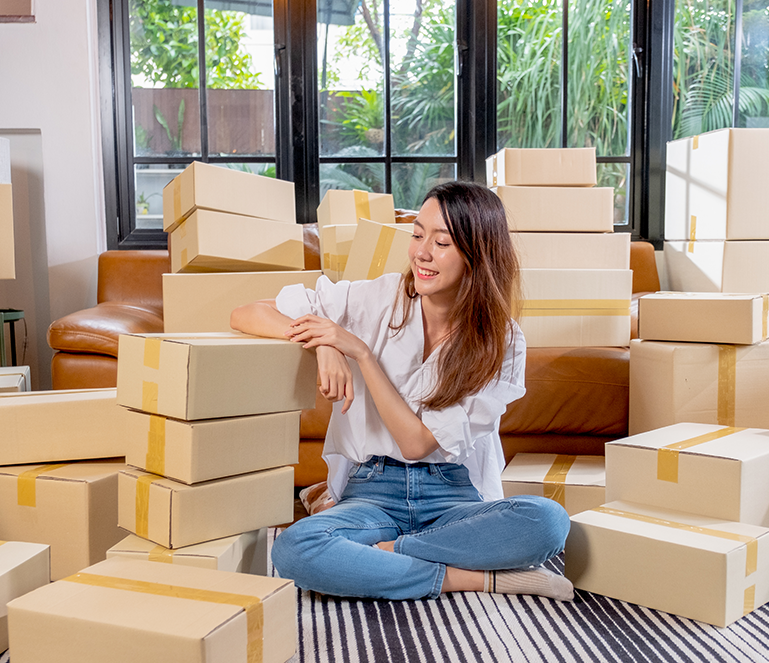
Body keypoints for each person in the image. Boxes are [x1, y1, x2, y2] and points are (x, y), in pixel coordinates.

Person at [230, 181, 572, 601]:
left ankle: (389, 557)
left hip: (452, 495)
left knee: (548, 521)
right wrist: (321, 340)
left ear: (477, 255)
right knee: (294, 548)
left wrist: (359, 352)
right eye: (417, 234)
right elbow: (248, 312)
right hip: (374, 490)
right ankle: (473, 577)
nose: (421, 253)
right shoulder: (376, 297)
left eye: (442, 242)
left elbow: (416, 443)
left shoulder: (503, 341)